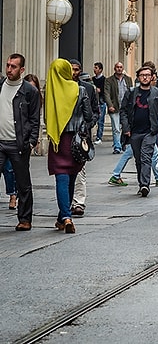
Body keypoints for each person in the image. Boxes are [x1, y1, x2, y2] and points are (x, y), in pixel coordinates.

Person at [45, 59, 93, 234]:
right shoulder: (80, 90)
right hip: (76, 141)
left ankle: (64, 216)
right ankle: (64, 216)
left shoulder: (51, 91)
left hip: (58, 140)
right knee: (72, 176)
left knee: (61, 178)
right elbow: (88, 115)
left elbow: (46, 117)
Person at [0, 53, 41, 231]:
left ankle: (25, 219)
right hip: (0, 143)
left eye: (13, 66)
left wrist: (31, 141)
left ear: (22, 70)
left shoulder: (30, 91)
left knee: (23, 183)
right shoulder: (0, 85)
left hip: (19, 144)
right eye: (8, 65)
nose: (9, 69)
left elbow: (34, 119)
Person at [120, 66, 158, 197]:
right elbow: (123, 111)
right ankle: (141, 183)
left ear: (152, 77)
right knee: (138, 159)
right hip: (134, 132)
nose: (145, 77)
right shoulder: (131, 92)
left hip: (150, 131)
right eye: (142, 75)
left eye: (148, 75)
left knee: (146, 157)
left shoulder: (157, 93)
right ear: (138, 77)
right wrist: (126, 128)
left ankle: (145, 185)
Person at [69, 61, 99, 217]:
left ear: (80, 71)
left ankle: (79, 202)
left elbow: (95, 110)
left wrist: (88, 124)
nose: (74, 72)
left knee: (80, 169)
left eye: (76, 70)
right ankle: (67, 200)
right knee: (65, 170)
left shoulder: (87, 88)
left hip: (82, 134)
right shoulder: (60, 88)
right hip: (66, 133)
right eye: (71, 69)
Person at [104, 62, 133, 154]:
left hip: (126, 108)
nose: (119, 69)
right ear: (114, 68)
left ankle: (123, 143)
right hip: (115, 107)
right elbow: (106, 93)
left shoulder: (128, 79)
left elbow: (131, 91)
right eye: (117, 67)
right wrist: (110, 105)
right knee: (116, 128)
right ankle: (117, 146)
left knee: (126, 127)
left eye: (121, 67)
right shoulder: (109, 80)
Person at [92, 62, 106, 144]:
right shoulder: (92, 79)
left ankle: (99, 137)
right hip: (94, 101)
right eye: (94, 67)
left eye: (96, 68)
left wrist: (98, 90)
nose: (94, 69)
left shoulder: (104, 80)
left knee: (100, 120)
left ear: (100, 70)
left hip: (101, 101)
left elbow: (104, 91)